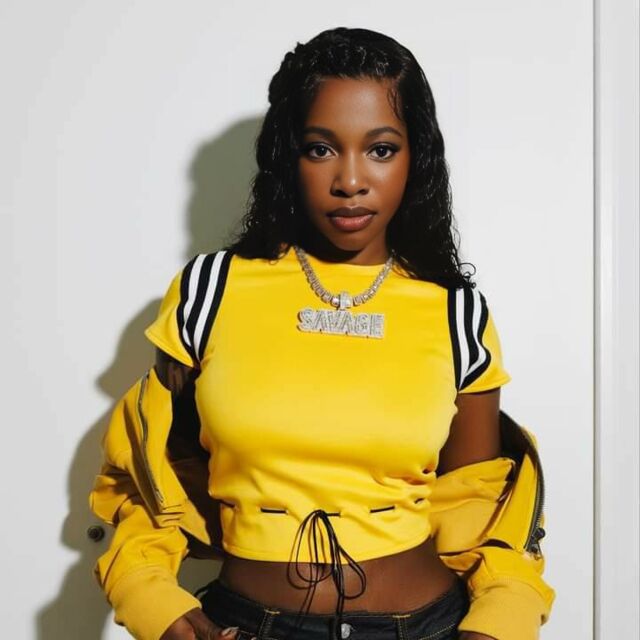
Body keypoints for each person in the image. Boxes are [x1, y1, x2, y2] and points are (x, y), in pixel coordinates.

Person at [90, 27, 554, 640]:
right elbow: (152, 483)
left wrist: (497, 626)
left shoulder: (455, 311)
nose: (350, 181)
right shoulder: (210, 291)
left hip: (427, 627)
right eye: (320, 149)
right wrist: (151, 597)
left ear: (416, 157)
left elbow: (483, 514)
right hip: (246, 626)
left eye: (381, 149)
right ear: (288, 156)